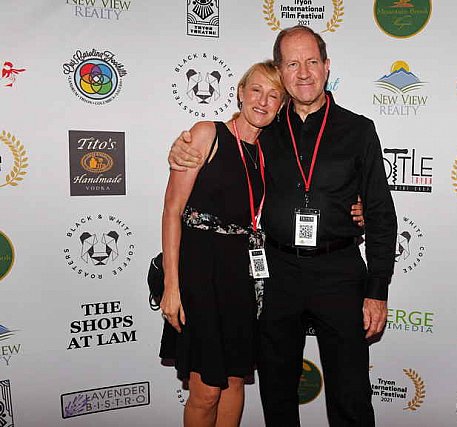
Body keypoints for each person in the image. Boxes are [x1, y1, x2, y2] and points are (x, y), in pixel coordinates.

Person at [170, 26, 397, 426]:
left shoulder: (359, 130)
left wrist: (377, 291)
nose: (303, 72)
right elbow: (224, 146)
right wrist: (182, 146)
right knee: (276, 390)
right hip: (276, 273)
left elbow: (380, 212)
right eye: (292, 64)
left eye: (311, 62)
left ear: (327, 67)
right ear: (281, 70)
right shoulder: (266, 128)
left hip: (339, 272)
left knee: (351, 393)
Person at [159, 61, 285, 427]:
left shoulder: (270, 150)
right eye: (256, 90)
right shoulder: (207, 134)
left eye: (274, 95)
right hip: (200, 273)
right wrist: (171, 286)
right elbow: (172, 210)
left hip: (242, 276)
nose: (263, 101)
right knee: (207, 390)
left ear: (281, 106)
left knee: (234, 381)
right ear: (240, 93)